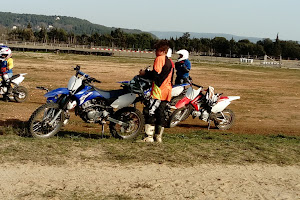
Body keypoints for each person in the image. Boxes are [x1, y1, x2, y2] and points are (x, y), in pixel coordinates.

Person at [139, 40, 174, 142]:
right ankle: (158, 136)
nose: (155, 52)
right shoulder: (170, 62)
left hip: (158, 90)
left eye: (157, 50)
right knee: (160, 113)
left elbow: (156, 74)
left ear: (162, 51)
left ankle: (148, 137)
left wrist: (145, 73)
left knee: (149, 111)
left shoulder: (159, 59)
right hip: (167, 90)